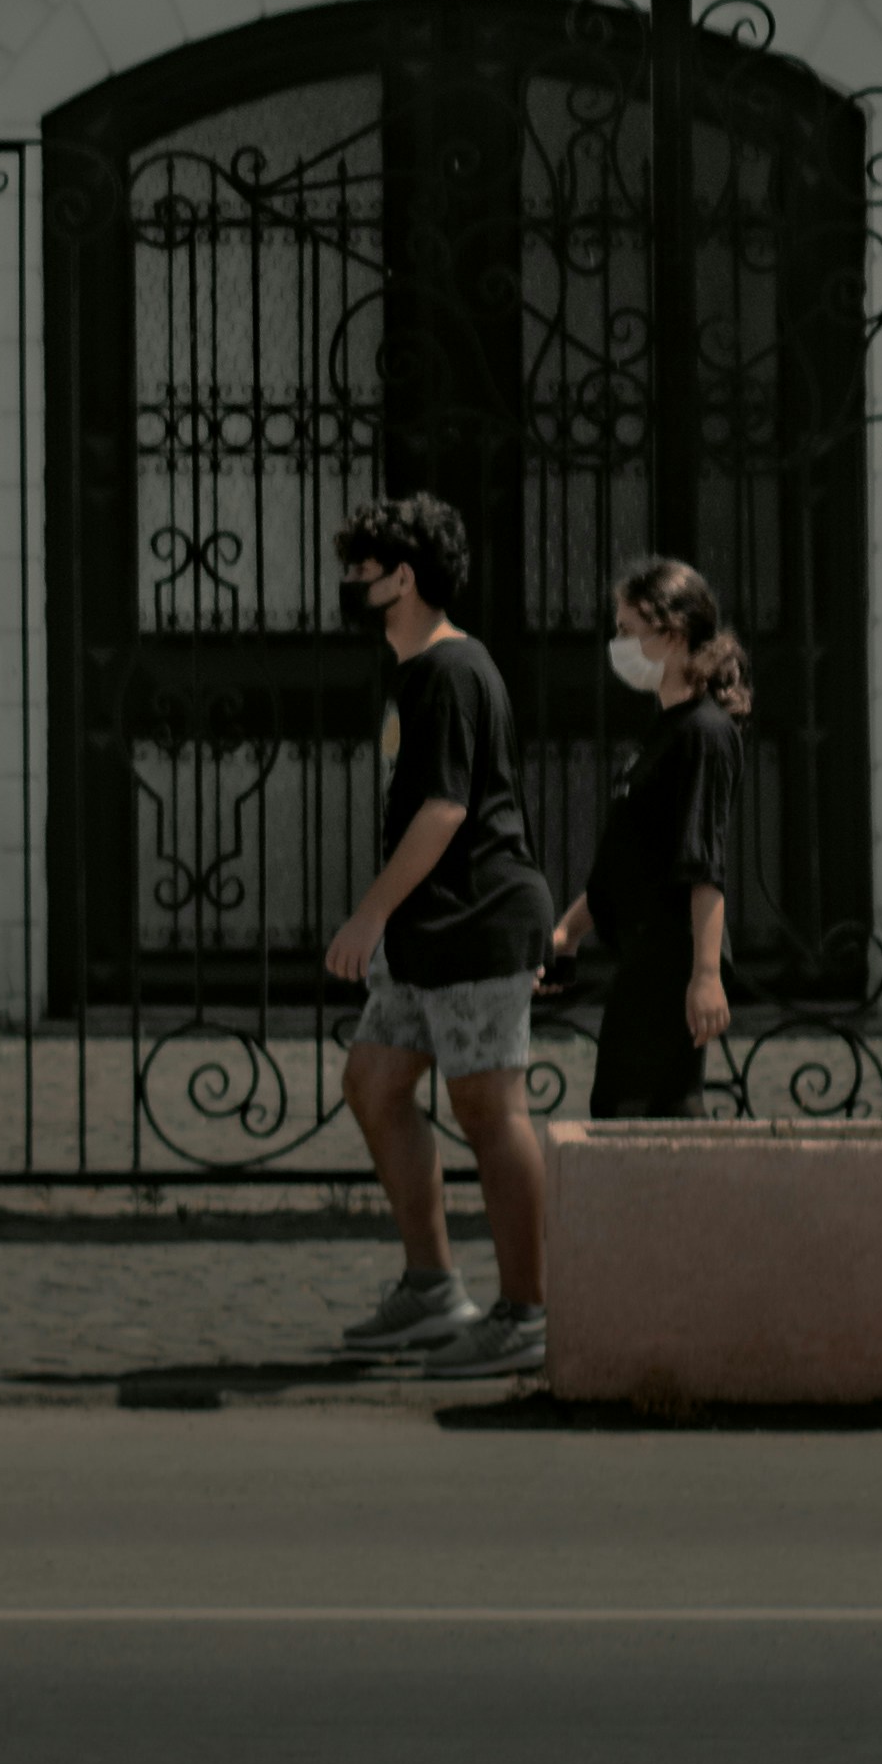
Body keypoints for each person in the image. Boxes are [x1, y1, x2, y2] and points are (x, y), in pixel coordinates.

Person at [322, 490, 559, 1379]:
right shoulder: (419, 672)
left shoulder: (451, 672)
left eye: (361, 573)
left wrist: (368, 914)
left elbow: (445, 808)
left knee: (488, 1111)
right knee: (375, 1084)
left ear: (404, 579)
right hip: (432, 929)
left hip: (476, 921)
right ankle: (432, 1290)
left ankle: (525, 1312)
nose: (349, 587)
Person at [554, 556, 749, 1122]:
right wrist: (569, 932)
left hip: (671, 962)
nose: (616, 643)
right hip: (648, 954)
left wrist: (706, 976)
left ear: (672, 633)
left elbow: (702, 864)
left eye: (626, 630)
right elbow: (631, 861)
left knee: (627, 1114)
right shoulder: (667, 730)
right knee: (659, 1115)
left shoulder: (704, 734)